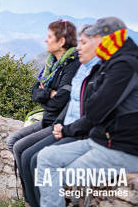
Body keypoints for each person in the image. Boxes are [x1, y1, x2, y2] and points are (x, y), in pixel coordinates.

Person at [36, 17, 138, 207]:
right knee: (45, 157)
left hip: (121, 149)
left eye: (92, 39)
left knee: (60, 176)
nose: (86, 45)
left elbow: (94, 110)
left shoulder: (125, 65)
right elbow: (93, 104)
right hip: (99, 141)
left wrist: (93, 101)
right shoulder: (111, 63)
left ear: (108, 38)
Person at [18, 25, 102, 206]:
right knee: (21, 149)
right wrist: (49, 96)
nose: (79, 47)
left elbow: (65, 102)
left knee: (33, 158)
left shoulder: (83, 69)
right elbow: (39, 91)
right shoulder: (73, 69)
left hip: (74, 131)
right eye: (79, 42)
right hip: (57, 123)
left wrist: (63, 127)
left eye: (84, 43)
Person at [5, 20, 79, 193]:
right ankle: (29, 194)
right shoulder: (51, 64)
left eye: (49, 36)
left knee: (23, 150)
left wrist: (47, 94)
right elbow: (35, 92)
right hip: (48, 118)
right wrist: (49, 93)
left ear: (61, 41)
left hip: (58, 122)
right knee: (12, 141)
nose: (45, 40)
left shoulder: (72, 65)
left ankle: (37, 196)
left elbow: (59, 101)